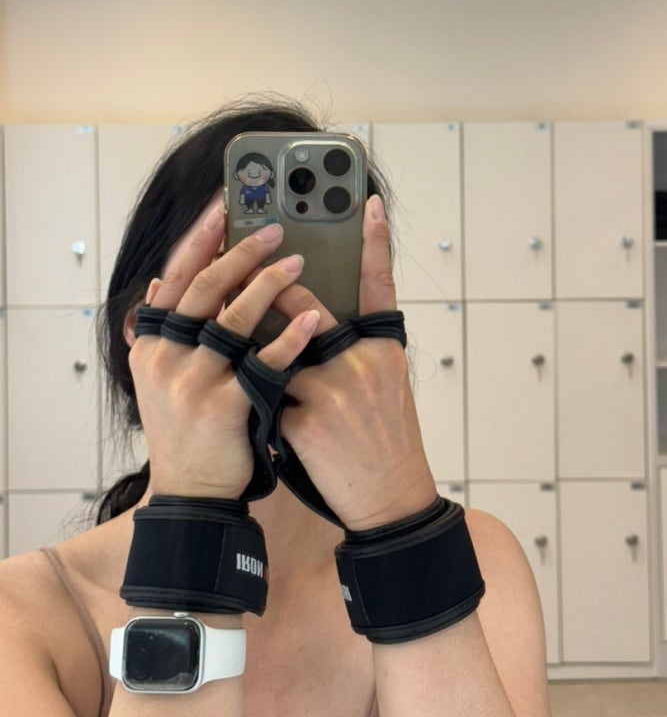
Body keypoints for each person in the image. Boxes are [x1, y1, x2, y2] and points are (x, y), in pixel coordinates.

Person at [0, 97, 552, 717]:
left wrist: (399, 526)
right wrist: (193, 522)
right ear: (141, 332)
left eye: (313, 282)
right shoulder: (23, 614)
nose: (280, 321)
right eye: (235, 280)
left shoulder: (480, 558)